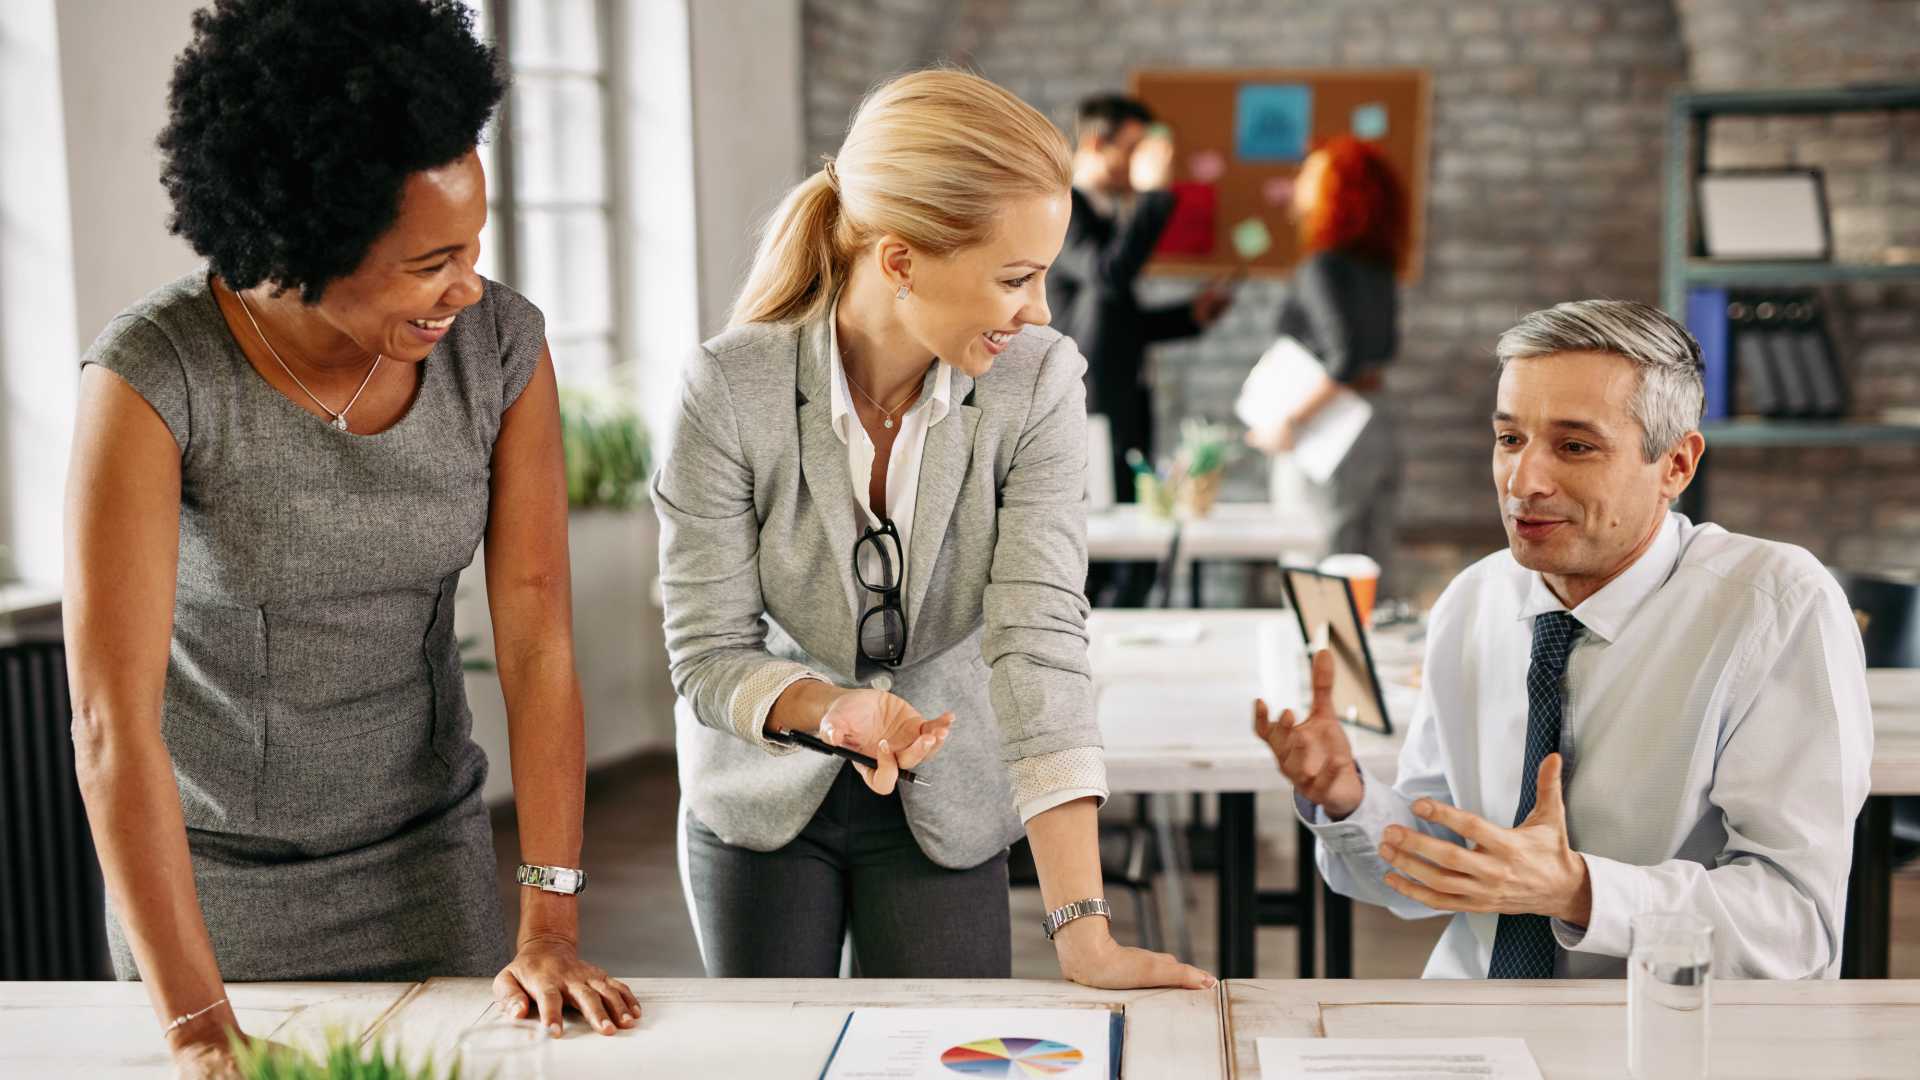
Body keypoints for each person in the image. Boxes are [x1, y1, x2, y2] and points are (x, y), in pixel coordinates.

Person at [63, 3, 633, 1075]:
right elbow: (109, 727)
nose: (466, 285)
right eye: (430, 263)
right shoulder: (152, 375)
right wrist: (193, 1024)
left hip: (430, 868)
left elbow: (539, 637)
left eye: (475, 246)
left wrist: (549, 927)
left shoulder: (499, 348)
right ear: (309, 238)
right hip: (214, 899)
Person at [655, 69, 1212, 990]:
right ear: (901, 260)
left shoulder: (1038, 382)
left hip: (950, 796)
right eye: (1015, 278)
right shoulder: (729, 385)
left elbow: (1039, 643)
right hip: (759, 789)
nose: (1038, 308)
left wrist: (1084, 933)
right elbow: (708, 651)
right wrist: (831, 709)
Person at [1254, 300, 1872, 979]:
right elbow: (1441, 863)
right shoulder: (1474, 601)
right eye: (1509, 440)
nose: (1523, 483)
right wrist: (1346, 797)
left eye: (1575, 447)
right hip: (1479, 1023)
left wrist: (1577, 892)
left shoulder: (1776, 609)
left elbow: (1797, 926)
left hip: (1667, 1037)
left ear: (1676, 465)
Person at [1047, 93, 1234, 606]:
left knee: (1133, 550)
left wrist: (1188, 317)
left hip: (1121, 402)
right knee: (1098, 559)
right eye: (1133, 149)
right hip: (1087, 409)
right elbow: (1108, 277)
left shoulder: (1108, 217)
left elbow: (1117, 322)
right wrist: (1154, 195)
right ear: (1095, 144)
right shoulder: (1064, 209)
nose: (1143, 163)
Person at [1247, 135, 1408, 594]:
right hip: (1378, 419)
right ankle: (1369, 663)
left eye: (1311, 176)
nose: (1299, 185)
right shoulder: (1380, 266)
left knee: (1315, 561)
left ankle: (1319, 665)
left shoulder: (1322, 267)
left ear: (1337, 192)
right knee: (1374, 561)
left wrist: (1290, 422)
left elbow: (1344, 357)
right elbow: (1383, 348)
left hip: (1328, 429)